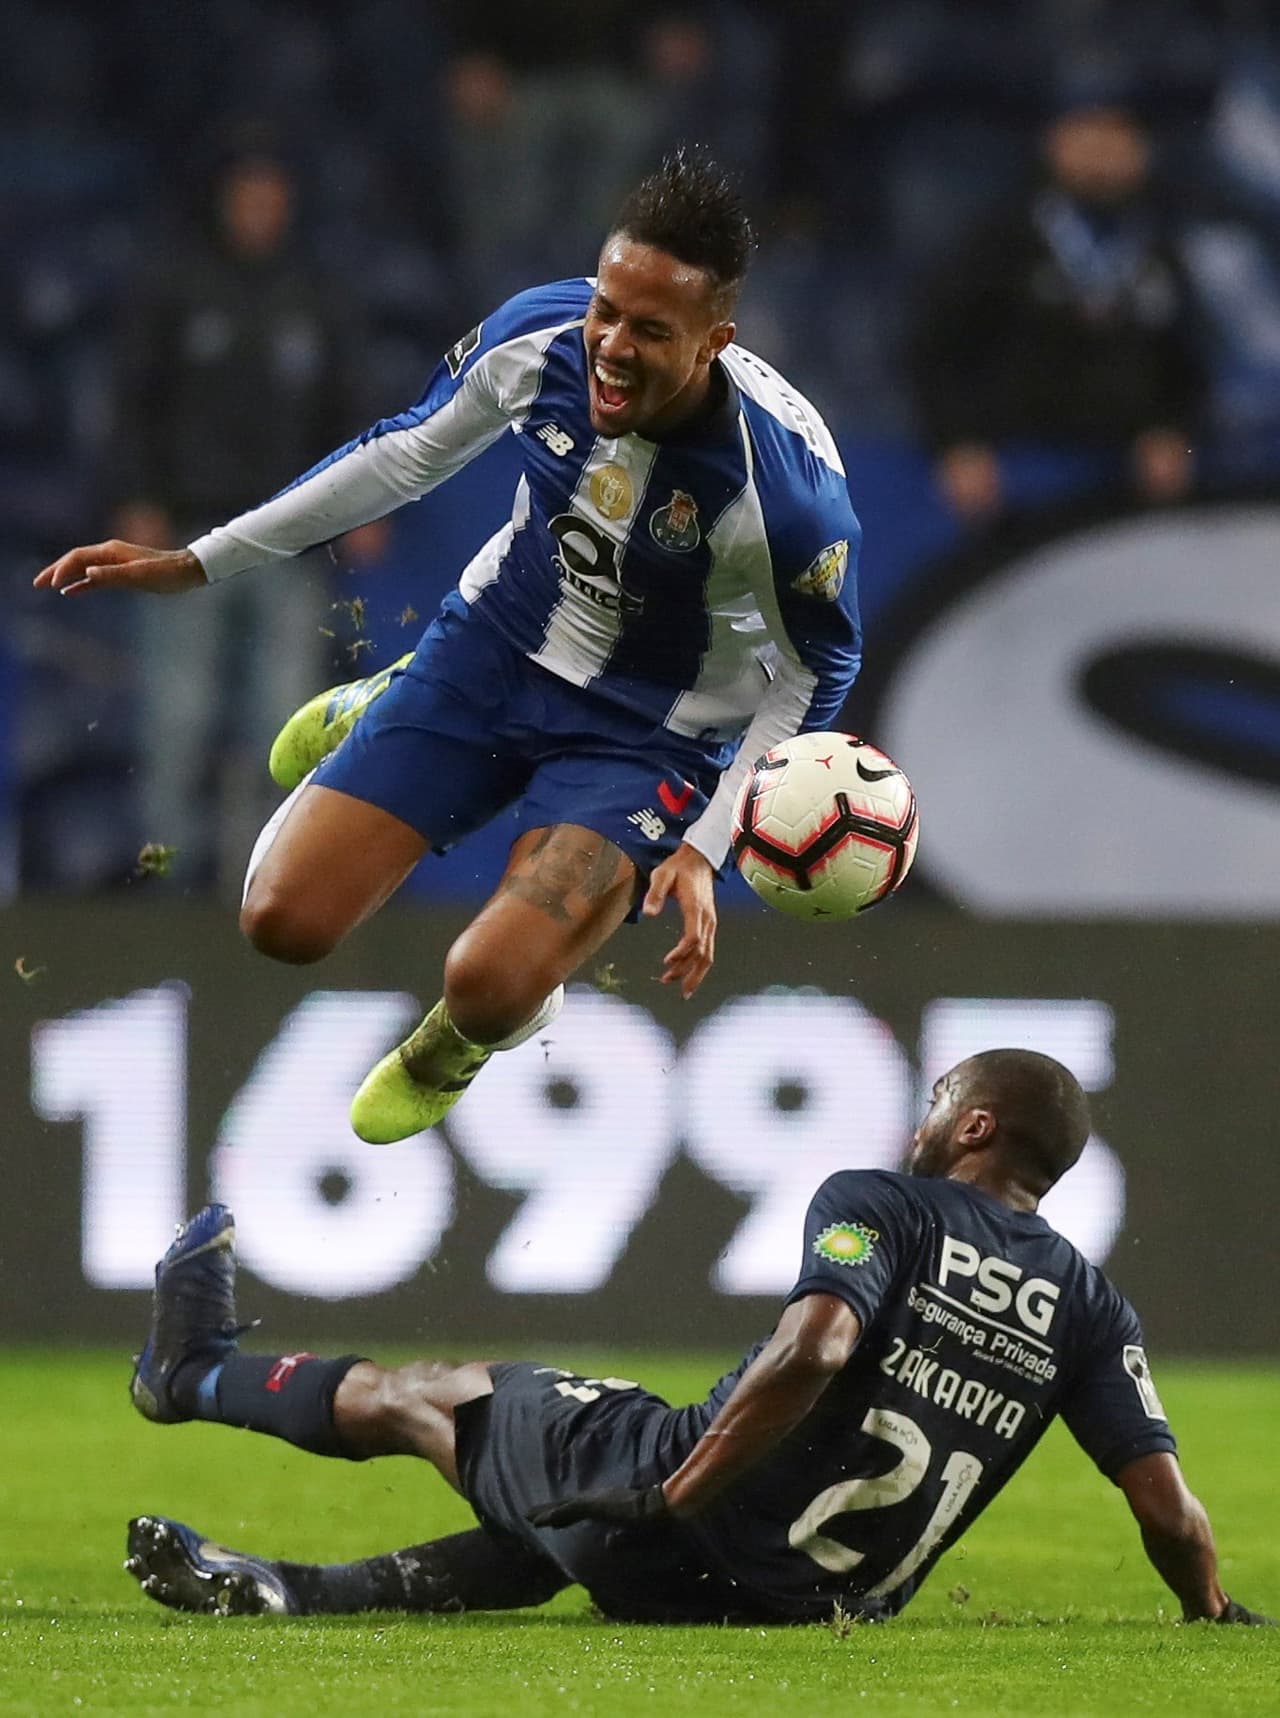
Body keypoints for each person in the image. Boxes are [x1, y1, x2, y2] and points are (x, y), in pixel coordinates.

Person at [36, 151, 863, 1144]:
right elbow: (404, 450)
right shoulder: (541, 338)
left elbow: (819, 666)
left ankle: (460, 1042)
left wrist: (707, 839)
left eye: (649, 330)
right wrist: (202, 561)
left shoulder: (786, 494)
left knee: (487, 981)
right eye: (606, 307)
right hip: (499, 647)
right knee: (280, 921)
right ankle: (389, 697)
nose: (609, 344)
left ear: (712, 341)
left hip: (652, 732)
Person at [122, 1050, 1270, 1627]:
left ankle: (192, 1370)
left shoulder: (889, 1202)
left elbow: (816, 1347)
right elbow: (1167, 1512)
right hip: (809, 1610)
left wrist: (671, 1489)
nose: (917, 1115)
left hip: (685, 1523)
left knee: (450, 1391)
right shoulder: (1090, 1304)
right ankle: (292, 1588)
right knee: (559, 1514)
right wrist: (1206, 1611)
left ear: (970, 1124)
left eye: (935, 1098)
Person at [107, 135, 384, 885]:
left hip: (285, 541)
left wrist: (362, 503)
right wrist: (137, 498)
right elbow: (135, 400)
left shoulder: (314, 295)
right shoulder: (176, 286)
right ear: (225, 201)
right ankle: (166, 883)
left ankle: (264, 886)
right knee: (178, 719)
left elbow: (349, 414)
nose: (261, 213)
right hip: (189, 541)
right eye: (249, 198)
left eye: (273, 200)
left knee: (280, 722)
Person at [908, 97, 1202, 526]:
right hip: (1014, 474)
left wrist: (1174, 430)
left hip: (1127, 478)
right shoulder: (1001, 240)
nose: (1104, 151)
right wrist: (957, 442)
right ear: (1055, 142)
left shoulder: (1161, 242)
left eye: (1119, 134)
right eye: (1088, 131)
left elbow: (1188, 357)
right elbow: (937, 348)